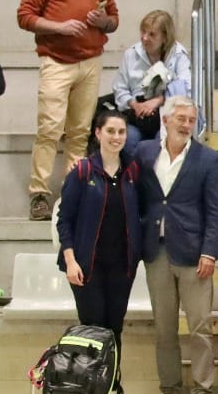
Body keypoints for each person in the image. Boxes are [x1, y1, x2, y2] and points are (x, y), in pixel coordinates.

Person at [18, 0, 120, 222]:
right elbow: (25, 17)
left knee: (79, 132)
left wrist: (103, 21)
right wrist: (59, 28)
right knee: (50, 129)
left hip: (91, 61)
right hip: (56, 61)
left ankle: (72, 194)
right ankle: (39, 193)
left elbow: (114, 20)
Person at [135, 97, 218, 394]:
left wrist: (209, 251)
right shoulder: (144, 153)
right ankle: (170, 392)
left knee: (200, 327)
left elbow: (216, 209)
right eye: (181, 118)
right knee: (164, 328)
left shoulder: (208, 158)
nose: (186, 125)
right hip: (155, 251)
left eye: (191, 120)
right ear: (165, 120)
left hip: (193, 254)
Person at [56, 109, 151, 356]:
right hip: (87, 266)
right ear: (98, 133)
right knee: (93, 329)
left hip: (121, 266)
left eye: (121, 132)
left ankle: (112, 380)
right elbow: (64, 220)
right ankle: (91, 380)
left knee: (114, 328)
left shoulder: (133, 171)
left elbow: (142, 212)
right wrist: (70, 261)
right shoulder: (82, 171)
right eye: (110, 131)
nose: (116, 137)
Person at [111, 9, 189, 149]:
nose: (145, 38)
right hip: (136, 116)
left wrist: (158, 101)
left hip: (167, 117)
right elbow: (120, 88)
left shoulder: (179, 55)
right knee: (128, 140)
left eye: (152, 34)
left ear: (165, 37)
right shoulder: (131, 54)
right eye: (143, 32)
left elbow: (185, 88)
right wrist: (134, 104)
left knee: (162, 142)